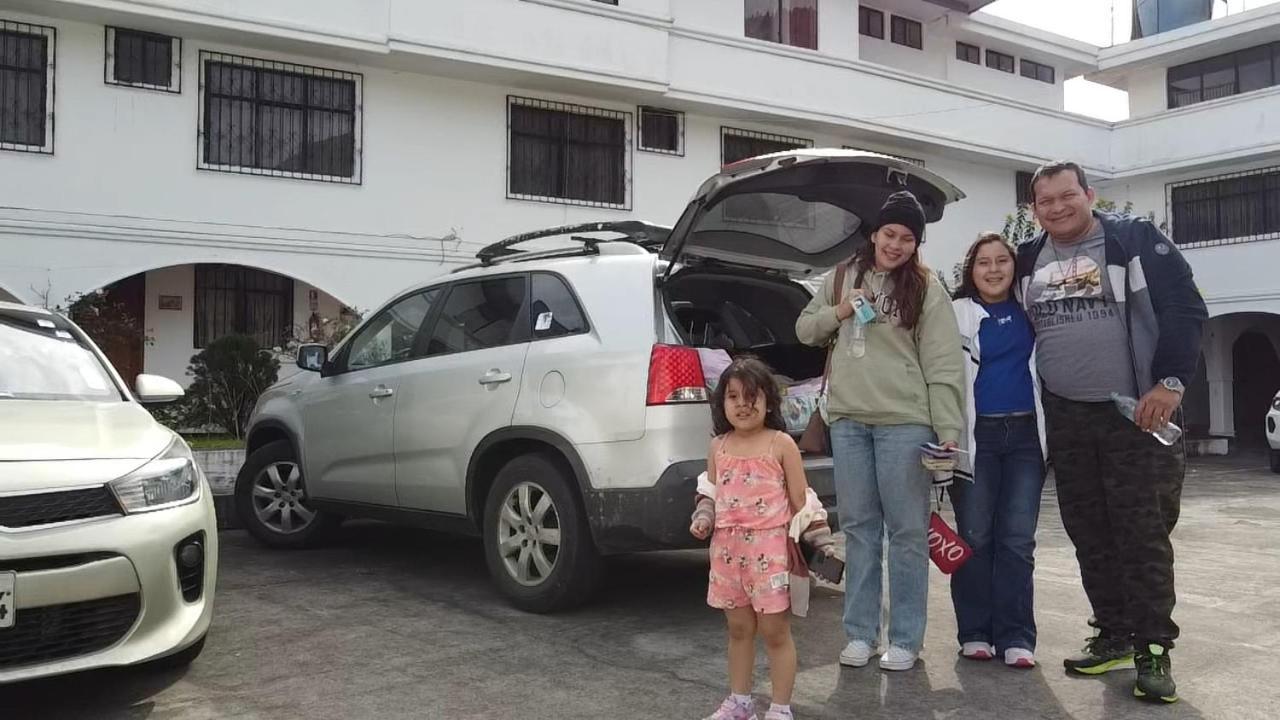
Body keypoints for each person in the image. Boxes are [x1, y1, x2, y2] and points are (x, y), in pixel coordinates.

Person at [1016, 161, 1207, 704]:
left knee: (1142, 533)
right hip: (1068, 416)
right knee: (1088, 529)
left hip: (1137, 415)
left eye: (1066, 195)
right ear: (1035, 208)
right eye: (1045, 200)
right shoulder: (1029, 257)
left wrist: (1170, 382)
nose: (1057, 207)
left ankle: (1153, 649)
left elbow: (1185, 309)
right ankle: (1114, 634)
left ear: (1088, 195)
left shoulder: (1134, 239)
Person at [795, 191, 965, 672]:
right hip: (848, 421)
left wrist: (946, 426)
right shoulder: (843, 276)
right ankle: (859, 634)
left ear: (916, 244)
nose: (896, 245)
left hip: (905, 424)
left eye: (908, 238)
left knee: (908, 533)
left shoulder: (928, 287)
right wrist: (842, 310)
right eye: (890, 234)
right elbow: (805, 329)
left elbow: (944, 362)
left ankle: (906, 639)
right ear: (874, 234)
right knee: (859, 530)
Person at [691, 357, 810, 720]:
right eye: (733, 396)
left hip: (770, 552)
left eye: (751, 396)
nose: (742, 404)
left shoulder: (782, 444)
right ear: (721, 404)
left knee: (775, 631)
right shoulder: (718, 447)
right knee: (739, 629)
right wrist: (703, 517)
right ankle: (740, 702)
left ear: (769, 401)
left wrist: (815, 537)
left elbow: (802, 500)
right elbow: (710, 495)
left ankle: (780, 709)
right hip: (727, 553)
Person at [949, 232, 1047, 668]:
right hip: (977, 438)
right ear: (971, 271)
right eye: (983, 262)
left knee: (1017, 540)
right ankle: (975, 632)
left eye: (1002, 261)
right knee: (975, 537)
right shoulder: (956, 314)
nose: (993, 270)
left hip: (1027, 436)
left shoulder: (1032, 310)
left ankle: (1017, 636)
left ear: (1014, 266)